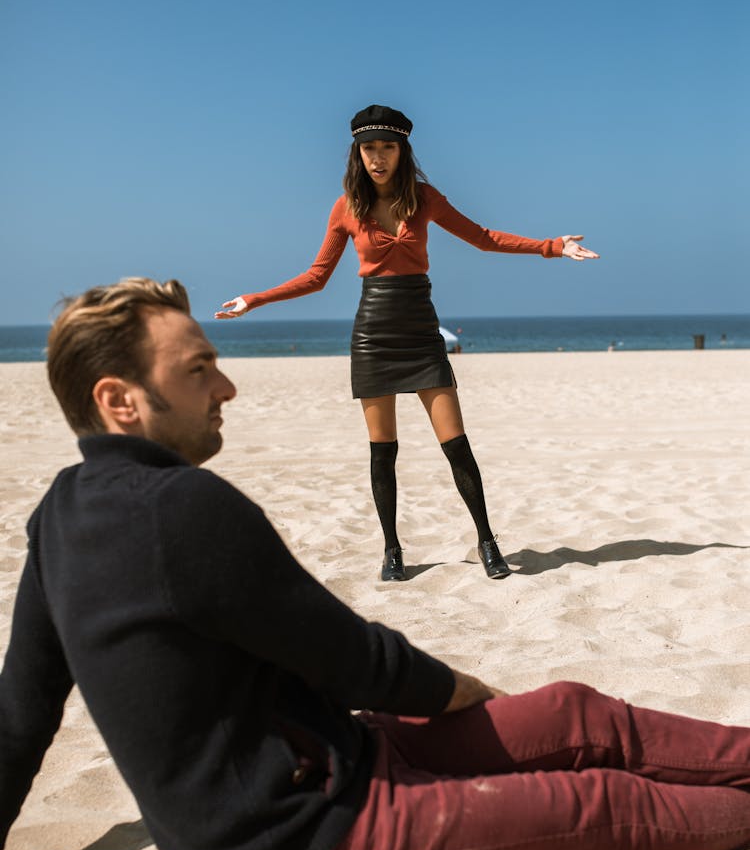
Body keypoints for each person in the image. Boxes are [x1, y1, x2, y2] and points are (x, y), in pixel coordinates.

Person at [2, 276, 750, 850]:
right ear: (119, 400)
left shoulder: (59, 514)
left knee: (572, 712)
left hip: (347, 756)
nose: (226, 385)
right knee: (602, 804)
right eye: (198, 370)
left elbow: (19, 716)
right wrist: (467, 695)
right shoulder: (183, 509)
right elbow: (355, 660)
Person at [216, 104, 599, 582]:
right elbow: (316, 277)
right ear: (358, 152)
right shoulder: (346, 207)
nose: (378, 157)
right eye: (369, 148)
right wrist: (254, 299)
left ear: (402, 151)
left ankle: (487, 541)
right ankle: (392, 550)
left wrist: (551, 246)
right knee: (383, 451)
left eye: (388, 147)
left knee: (456, 444)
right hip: (373, 333)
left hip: (420, 327)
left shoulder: (424, 198)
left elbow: (481, 238)